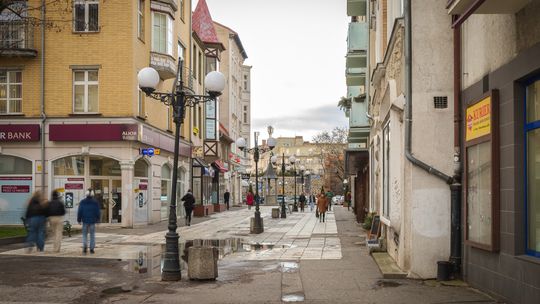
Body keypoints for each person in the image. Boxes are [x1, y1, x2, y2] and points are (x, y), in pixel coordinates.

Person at [77, 189, 100, 254]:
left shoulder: (82, 202)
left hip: (85, 221)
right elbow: (97, 212)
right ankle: (92, 249)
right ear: (93, 194)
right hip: (92, 221)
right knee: (92, 235)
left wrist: (79, 219)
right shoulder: (95, 202)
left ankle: (85, 247)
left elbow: (80, 211)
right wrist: (98, 219)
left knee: (84, 235)